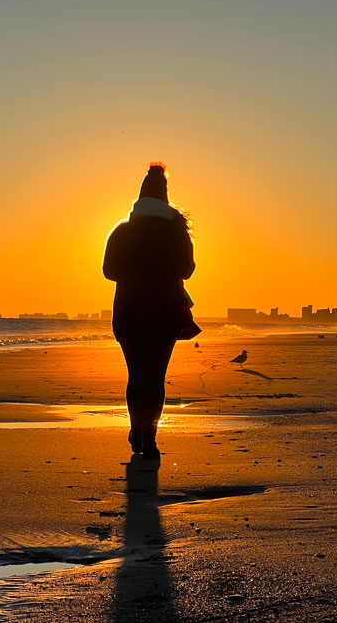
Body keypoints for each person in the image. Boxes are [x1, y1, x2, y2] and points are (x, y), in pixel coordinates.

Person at [103, 163, 199, 459]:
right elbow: (187, 270)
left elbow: (108, 272)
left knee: (137, 375)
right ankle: (150, 438)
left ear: (139, 199)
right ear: (164, 199)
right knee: (156, 375)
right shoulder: (176, 230)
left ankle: (138, 432)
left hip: (129, 312)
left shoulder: (121, 230)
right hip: (165, 311)